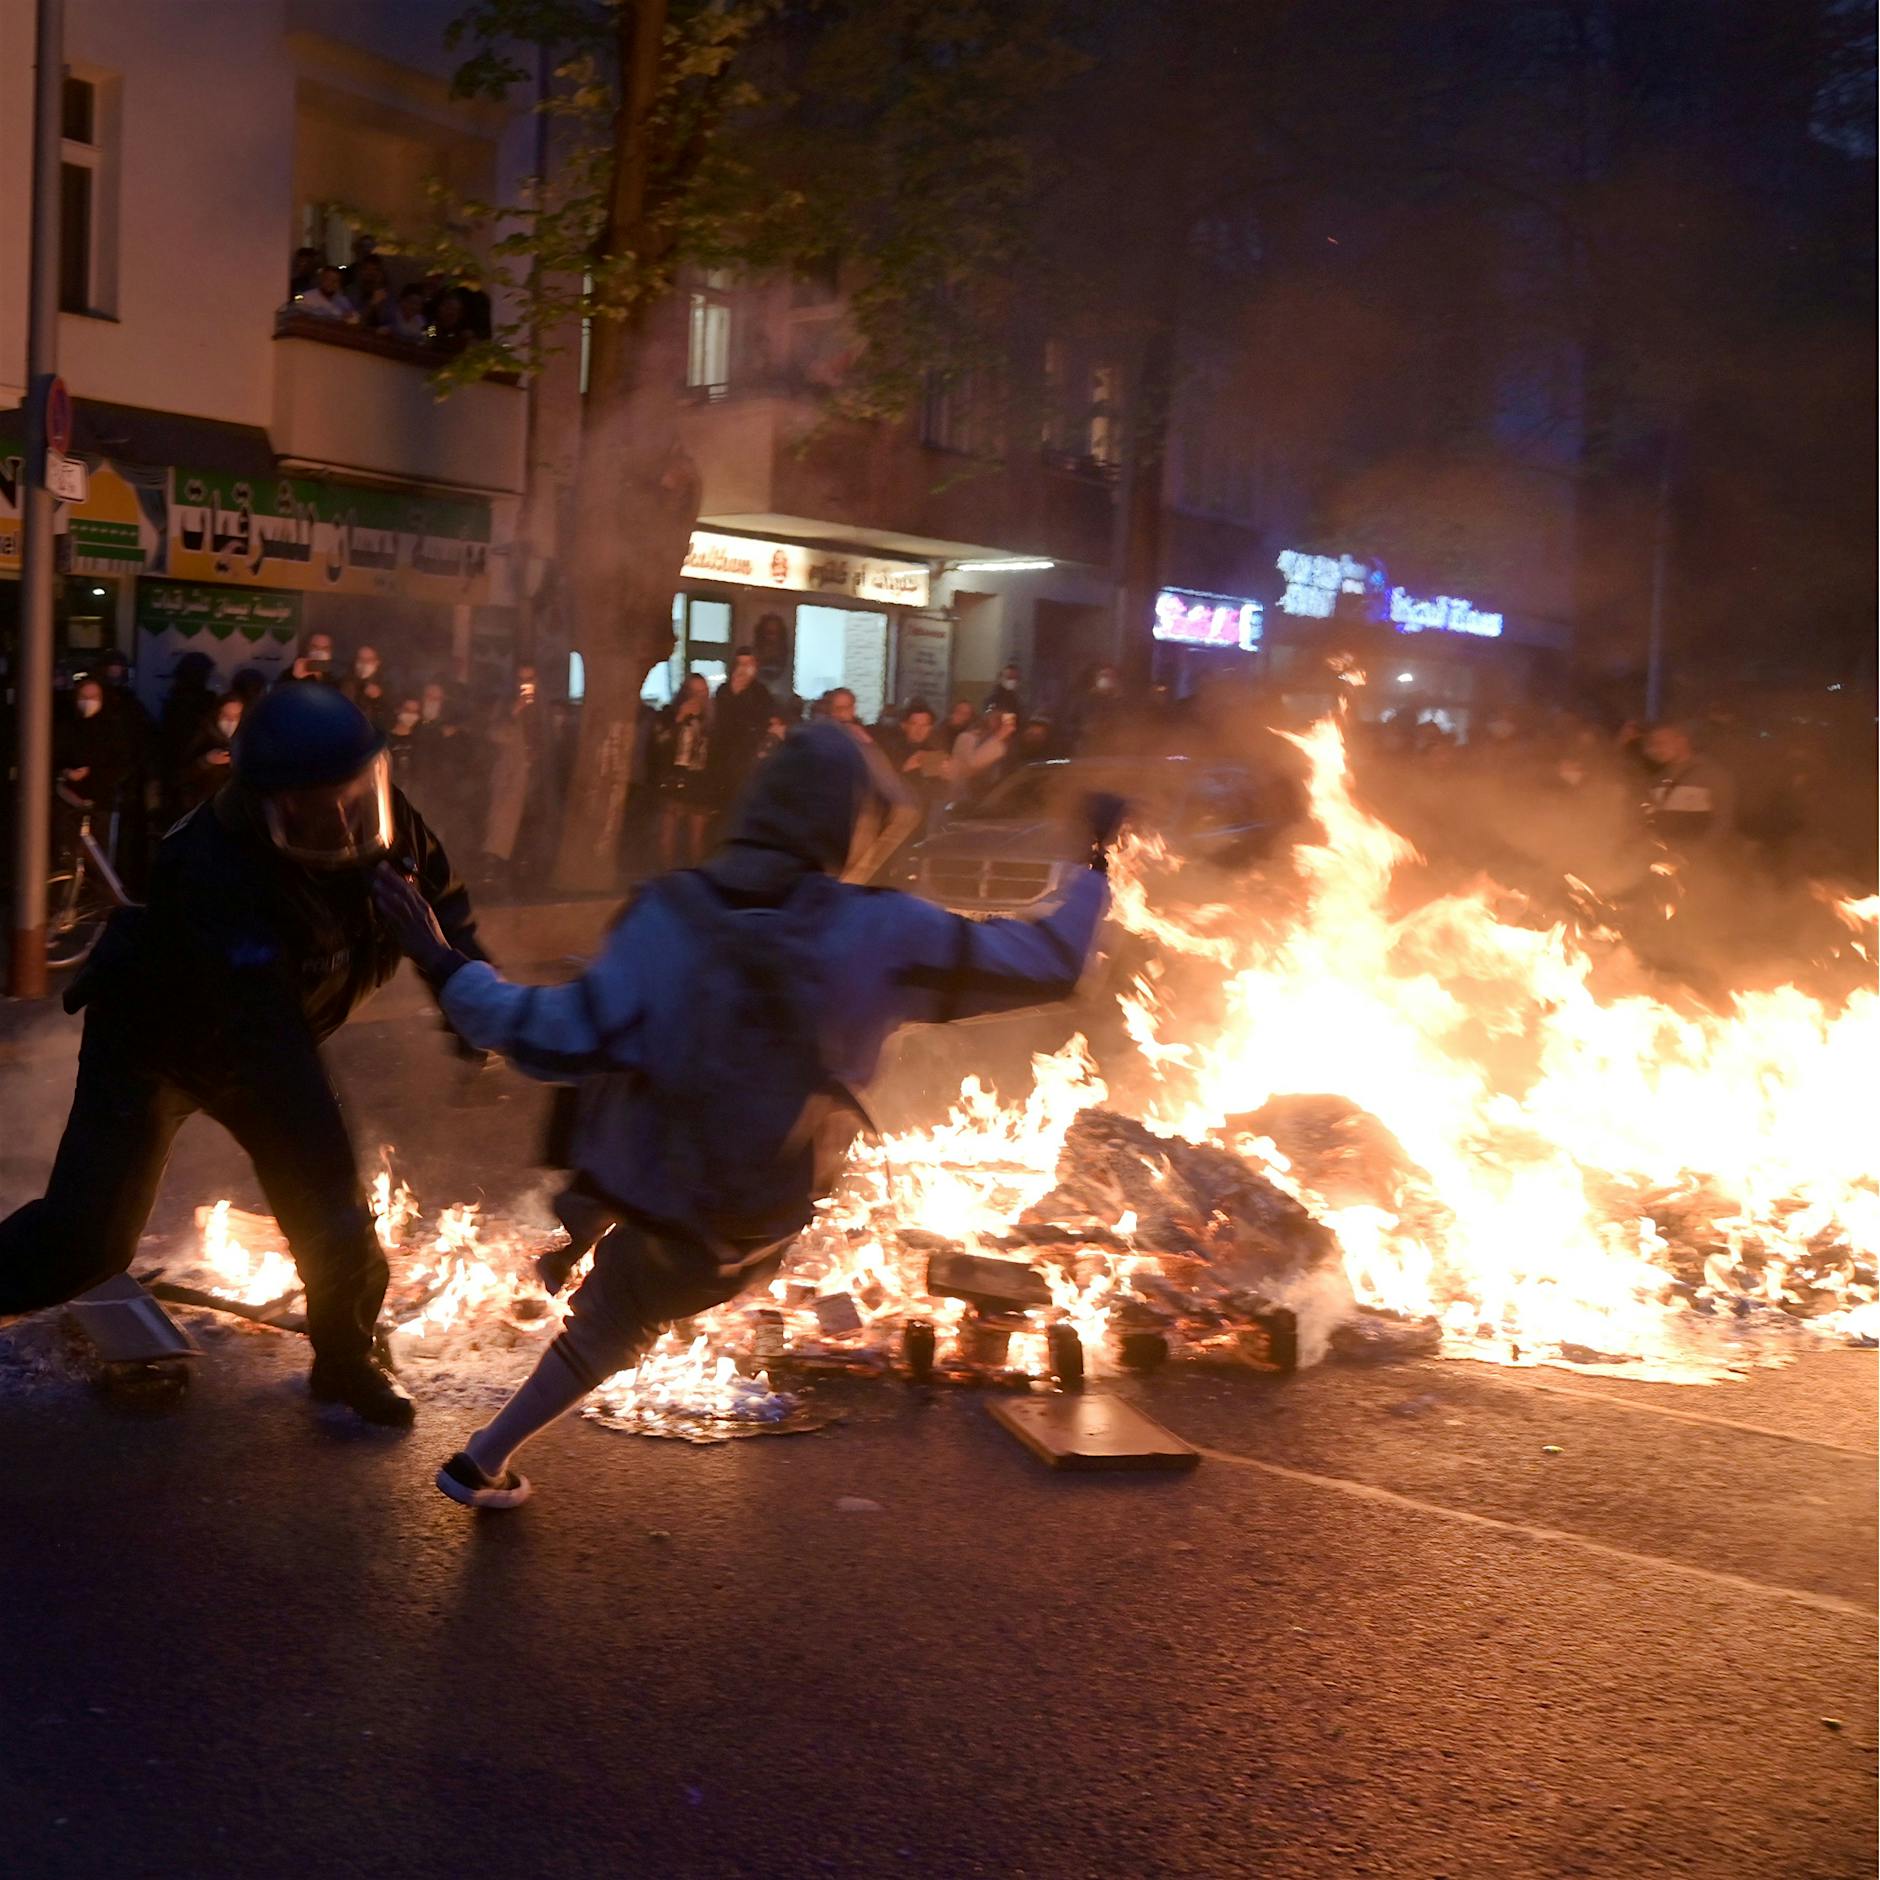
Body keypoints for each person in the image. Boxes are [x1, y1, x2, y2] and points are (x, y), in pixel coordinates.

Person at [370, 722, 1124, 1508]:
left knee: (618, 1290)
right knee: (623, 1313)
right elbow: (1050, 962)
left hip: (648, 1178)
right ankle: (486, 1446)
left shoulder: (669, 913)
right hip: (745, 1208)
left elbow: (554, 1036)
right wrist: (1092, 859)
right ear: (850, 824)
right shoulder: (874, 929)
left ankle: (570, 1259)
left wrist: (442, 960)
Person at [0, 685, 488, 1426]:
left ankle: (346, 1362)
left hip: (273, 1030)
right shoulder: (208, 870)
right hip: (162, 1044)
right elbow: (274, 1058)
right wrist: (318, 1154)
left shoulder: (378, 814)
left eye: (354, 796)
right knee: (88, 1240)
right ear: (261, 804)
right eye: (312, 809)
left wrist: (468, 1000)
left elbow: (441, 903)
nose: (342, 822)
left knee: (334, 1210)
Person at [1641, 721, 1735, 856]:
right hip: (1665, 858)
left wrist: (1699, 851)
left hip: (1700, 860)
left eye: (1662, 743)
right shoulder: (1656, 779)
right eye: (1653, 744)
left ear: (1681, 741)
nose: (1656, 749)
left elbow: (1723, 821)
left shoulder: (1711, 774)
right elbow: (1651, 818)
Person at [650, 672, 714, 868]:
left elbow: (717, 753)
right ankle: (666, 877)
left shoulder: (711, 719)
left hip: (699, 782)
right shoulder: (669, 714)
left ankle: (694, 882)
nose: (698, 697)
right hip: (674, 779)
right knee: (667, 837)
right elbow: (659, 744)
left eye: (703, 692)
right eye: (694, 692)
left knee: (696, 841)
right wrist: (679, 718)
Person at [708, 646, 773, 814]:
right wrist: (734, 693)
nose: (744, 669)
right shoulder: (724, 690)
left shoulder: (761, 693)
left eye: (748, 664)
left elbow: (761, 720)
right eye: (740, 664)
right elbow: (723, 722)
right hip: (725, 758)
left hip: (749, 758)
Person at [174, 692, 244, 813]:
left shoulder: (247, 739)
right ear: (217, 714)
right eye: (225, 716)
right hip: (205, 809)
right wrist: (207, 760)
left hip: (236, 811)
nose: (230, 721)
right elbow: (181, 775)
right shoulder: (202, 736)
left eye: (236, 717)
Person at [947, 705, 1019, 806]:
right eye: (996, 717)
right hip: (967, 803)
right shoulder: (967, 738)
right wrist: (999, 737)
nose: (998, 722)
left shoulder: (1009, 743)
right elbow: (973, 764)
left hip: (999, 801)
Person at [1068, 663, 1125, 755]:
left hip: (1111, 751)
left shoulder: (1120, 703)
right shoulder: (1083, 700)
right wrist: (1083, 730)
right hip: (1086, 748)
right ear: (1096, 678)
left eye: (1112, 676)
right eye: (1104, 675)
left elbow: (1125, 726)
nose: (1108, 679)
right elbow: (1069, 724)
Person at [340, 645, 391, 729]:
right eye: (361, 659)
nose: (364, 663)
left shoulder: (387, 687)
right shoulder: (343, 683)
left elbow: (389, 718)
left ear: (377, 662)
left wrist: (378, 698)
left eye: (369, 660)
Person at [288, 264, 357, 324]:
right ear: (321, 279)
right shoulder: (305, 296)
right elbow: (296, 311)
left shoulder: (343, 300)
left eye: (335, 281)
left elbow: (354, 318)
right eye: (328, 279)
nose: (331, 284)